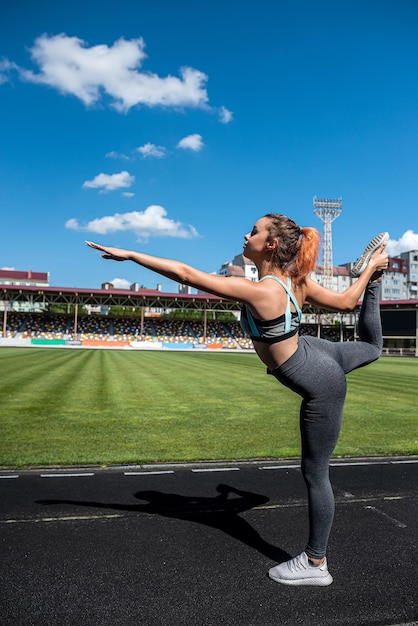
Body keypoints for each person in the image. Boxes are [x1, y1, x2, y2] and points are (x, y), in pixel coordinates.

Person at [86, 214, 389, 587]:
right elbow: (345, 303)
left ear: (271, 245)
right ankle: (376, 279)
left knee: (315, 474)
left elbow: (186, 274)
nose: (246, 235)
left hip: (320, 379)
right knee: (373, 347)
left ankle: (315, 562)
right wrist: (367, 277)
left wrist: (131, 255)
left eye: (255, 231)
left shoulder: (263, 290)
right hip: (315, 351)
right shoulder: (294, 280)